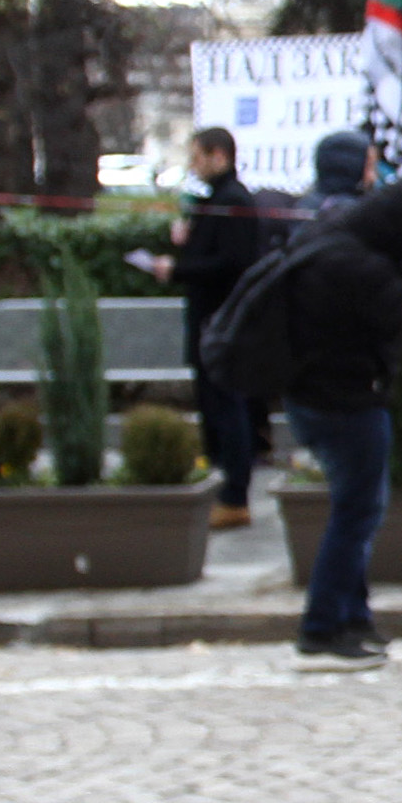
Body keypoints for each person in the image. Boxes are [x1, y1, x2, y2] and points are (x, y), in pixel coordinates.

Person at [278, 173, 402, 669]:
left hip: (314, 393)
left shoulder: (335, 233)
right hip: (345, 400)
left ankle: (352, 617)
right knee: (355, 514)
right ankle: (321, 627)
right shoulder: (355, 267)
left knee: (354, 510)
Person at [150, 128, 264, 530]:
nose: (193, 165)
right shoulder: (214, 201)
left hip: (222, 322)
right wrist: (188, 240)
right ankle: (221, 483)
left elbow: (231, 262)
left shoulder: (234, 201)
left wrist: (177, 269)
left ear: (219, 156)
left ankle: (235, 493)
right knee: (213, 406)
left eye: (197, 156)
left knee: (227, 406)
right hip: (208, 319)